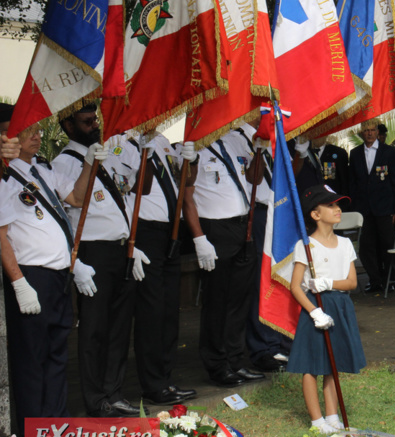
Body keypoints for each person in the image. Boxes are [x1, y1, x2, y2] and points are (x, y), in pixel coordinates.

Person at [0, 106, 99, 433]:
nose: (37, 136)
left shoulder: (40, 170)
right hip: (32, 277)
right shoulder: (4, 177)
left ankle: (56, 427)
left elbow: (77, 197)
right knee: (32, 358)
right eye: (26, 131)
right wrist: (18, 282)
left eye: (37, 129)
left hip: (57, 276)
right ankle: (33, 435)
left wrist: (90, 162)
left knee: (57, 354)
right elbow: (1, 234)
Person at [51, 106, 152, 418]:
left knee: (119, 327)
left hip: (119, 249)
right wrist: (75, 260)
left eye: (95, 119)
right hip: (92, 253)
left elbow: (123, 197)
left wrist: (130, 245)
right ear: (68, 125)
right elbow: (69, 209)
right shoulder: (64, 162)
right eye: (86, 121)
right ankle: (97, 400)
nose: (94, 125)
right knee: (94, 330)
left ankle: (114, 392)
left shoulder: (105, 155)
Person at [184, 132, 265, 387]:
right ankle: (217, 365)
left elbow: (254, 178)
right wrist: (199, 237)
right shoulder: (192, 145)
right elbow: (186, 195)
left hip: (243, 226)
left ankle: (236, 361)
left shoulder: (235, 140)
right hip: (215, 229)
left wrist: (259, 151)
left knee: (239, 301)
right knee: (217, 302)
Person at [288, 184, 366, 433]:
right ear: (315, 214)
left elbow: (352, 282)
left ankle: (332, 416)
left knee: (333, 363)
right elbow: (295, 286)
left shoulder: (345, 243)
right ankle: (317, 420)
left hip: (339, 304)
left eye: (338, 204)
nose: (337, 209)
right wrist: (314, 312)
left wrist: (328, 282)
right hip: (316, 306)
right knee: (312, 364)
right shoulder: (306, 246)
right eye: (330, 205)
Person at [131, 133, 199, 404]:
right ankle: (153, 384)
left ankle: (166, 379)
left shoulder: (161, 141)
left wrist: (192, 160)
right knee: (152, 311)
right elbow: (138, 189)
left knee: (170, 310)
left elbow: (184, 180)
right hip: (145, 231)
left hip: (171, 230)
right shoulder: (123, 142)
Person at [232, 121, 293, 373]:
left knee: (283, 275)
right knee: (262, 280)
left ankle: (283, 338)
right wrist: (258, 148)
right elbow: (253, 178)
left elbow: (288, 175)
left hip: (278, 210)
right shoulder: (238, 138)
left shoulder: (273, 137)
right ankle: (264, 347)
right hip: (257, 213)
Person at [348, 119, 395, 293]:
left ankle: (390, 279)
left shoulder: (390, 152)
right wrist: (355, 207)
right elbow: (353, 183)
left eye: (372, 130)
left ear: (378, 132)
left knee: (388, 244)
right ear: (362, 133)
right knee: (367, 247)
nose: (370, 133)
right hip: (364, 209)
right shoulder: (355, 153)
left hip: (385, 207)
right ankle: (375, 280)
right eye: (366, 131)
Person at [310, 135, 351, 209]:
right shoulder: (305, 152)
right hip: (313, 201)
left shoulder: (338, 152)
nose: (318, 135)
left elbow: (344, 181)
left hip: (333, 201)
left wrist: (343, 204)